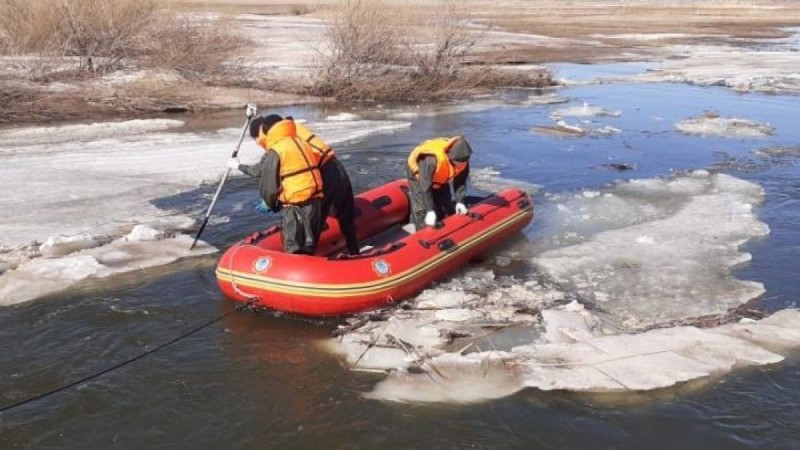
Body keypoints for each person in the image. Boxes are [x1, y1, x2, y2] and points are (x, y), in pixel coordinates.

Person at [247, 113, 361, 255]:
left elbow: (271, 169)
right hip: (335, 167)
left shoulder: (280, 139)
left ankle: (309, 266)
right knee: (346, 219)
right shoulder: (291, 129)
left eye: (257, 138)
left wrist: (271, 201)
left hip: (322, 175)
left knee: (314, 225)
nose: (258, 142)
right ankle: (355, 252)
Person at [227, 116, 324, 255]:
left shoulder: (277, 150)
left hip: (296, 209)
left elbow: (268, 183)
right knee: (309, 245)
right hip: (315, 204)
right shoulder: (299, 142)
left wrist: (270, 203)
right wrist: (239, 166)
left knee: (294, 247)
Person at [406, 135, 472, 229]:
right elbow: (425, 186)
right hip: (420, 174)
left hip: (441, 175)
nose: (461, 164)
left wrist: (460, 201)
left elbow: (460, 181)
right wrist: (430, 210)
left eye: (463, 161)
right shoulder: (431, 160)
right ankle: (422, 230)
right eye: (458, 161)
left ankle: (447, 226)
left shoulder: (463, 158)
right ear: (450, 156)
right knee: (422, 209)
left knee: (446, 203)